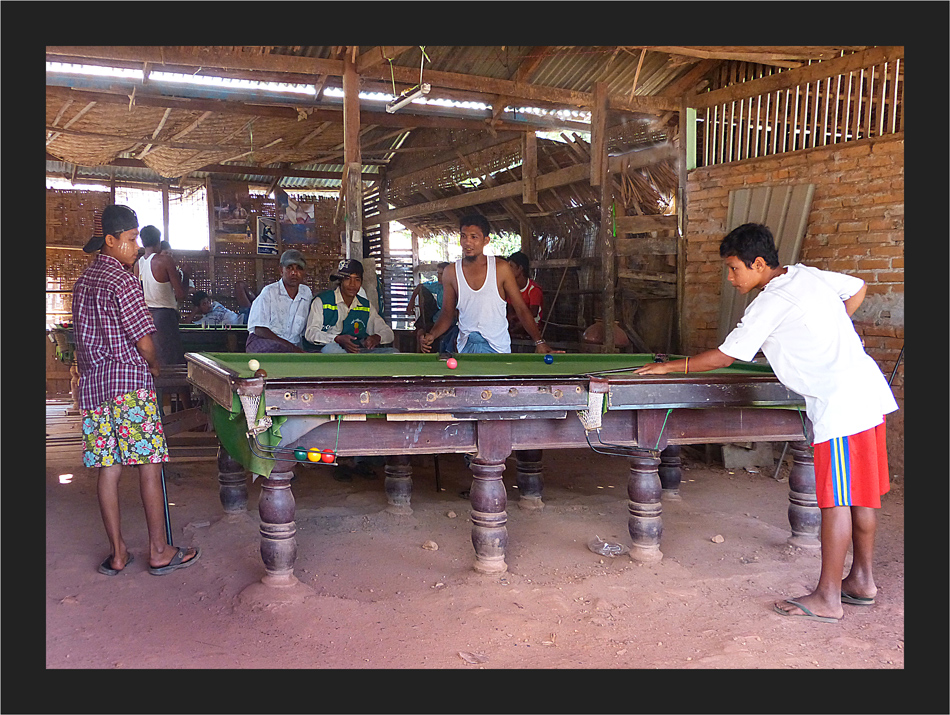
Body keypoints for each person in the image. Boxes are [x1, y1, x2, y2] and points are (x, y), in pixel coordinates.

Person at [634, 223, 898, 624]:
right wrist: (825, 335)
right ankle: (861, 580)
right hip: (868, 393)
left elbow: (727, 355)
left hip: (839, 404)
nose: (730, 277)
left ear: (758, 264)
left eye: (734, 268)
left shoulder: (769, 303)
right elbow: (857, 287)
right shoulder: (805, 274)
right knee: (861, 495)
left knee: (835, 501)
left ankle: (828, 597)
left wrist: (669, 367)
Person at [73, 205, 200, 577]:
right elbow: (143, 340)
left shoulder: (84, 281)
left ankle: (117, 554)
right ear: (111, 241)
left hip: (95, 387)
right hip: (129, 384)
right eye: (130, 241)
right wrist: (156, 364)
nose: (135, 248)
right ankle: (159, 550)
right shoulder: (122, 280)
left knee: (108, 469)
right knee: (149, 464)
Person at [421, 214, 558, 356]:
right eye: (463, 236)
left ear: (486, 240)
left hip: (498, 349)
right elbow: (447, 314)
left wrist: (539, 342)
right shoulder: (451, 272)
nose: (467, 242)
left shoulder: (501, 269)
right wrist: (432, 334)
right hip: (465, 349)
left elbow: (521, 309)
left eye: (474, 237)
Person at [304, 259, 397, 353]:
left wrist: (377, 338)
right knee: (333, 350)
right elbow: (311, 333)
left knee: (393, 352)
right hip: (328, 351)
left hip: (356, 351)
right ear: (340, 281)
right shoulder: (322, 301)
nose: (352, 284)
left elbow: (388, 333)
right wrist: (336, 339)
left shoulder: (365, 306)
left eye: (357, 279)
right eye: (347, 279)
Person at [134, 226, 188, 368]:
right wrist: (186, 275)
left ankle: (155, 391)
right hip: (165, 318)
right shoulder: (165, 261)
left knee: (155, 363)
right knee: (172, 365)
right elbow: (181, 294)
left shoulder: (138, 264)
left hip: (146, 318)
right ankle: (173, 391)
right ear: (158, 241)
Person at [245, 249, 313, 353]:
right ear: (281, 270)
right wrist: (291, 347)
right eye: (289, 268)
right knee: (275, 350)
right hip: (263, 341)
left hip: (293, 346)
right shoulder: (269, 292)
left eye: (299, 268)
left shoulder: (306, 293)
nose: (294, 273)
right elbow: (259, 329)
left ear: (304, 272)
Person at [409, 262, 458, 353]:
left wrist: (452, 312)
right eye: (438, 274)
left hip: (451, 322)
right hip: (437, 319)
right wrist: (411, 303)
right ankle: (420, 355)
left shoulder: (457, 288)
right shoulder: (437, 286)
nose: (439, 276)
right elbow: (420, 286)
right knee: (420, 332)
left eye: (441, 274)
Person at [505, 251, 544, 338]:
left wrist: (515, 317)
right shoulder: (511, 289)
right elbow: (510, 310)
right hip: (517, 322)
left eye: (511, 266)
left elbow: (533, 313)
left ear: (520, 268)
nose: (508, 270)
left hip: (532, 326)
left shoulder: (534, 290)